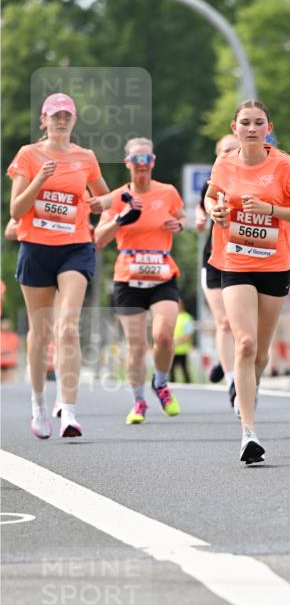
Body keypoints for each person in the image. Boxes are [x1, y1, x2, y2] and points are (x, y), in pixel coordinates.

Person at [204, 99, 290, 463]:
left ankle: (249, 390)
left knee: (262, 354)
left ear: (269, 127)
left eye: (258, 123)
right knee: (245, 344)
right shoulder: (224, 163)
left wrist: (270, 210)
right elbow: (209, 197)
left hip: (274, 263)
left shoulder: (284, 165)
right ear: (234, 128)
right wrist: (213, 210)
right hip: (234, 261)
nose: (251, 129)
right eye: (245, 123)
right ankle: (249, 434)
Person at [7, 92, 110, 439]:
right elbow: (16, 211)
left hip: (75, 247)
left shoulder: (86, 157)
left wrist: (100, 204)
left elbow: (103, 198)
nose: (61, 120)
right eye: (55, 115)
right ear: (44, 121)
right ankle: (38, 405)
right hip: (36, 248)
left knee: (66, 327)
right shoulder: (28, 155)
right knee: (40, 334)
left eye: (67, 115)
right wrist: (39, 179)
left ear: (74, 120)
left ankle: (69, 411)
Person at [95, 138, 186, 424]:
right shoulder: (117, 196)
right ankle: (138, 402)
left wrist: (179, 225)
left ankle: (160, 382)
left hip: (162, 273)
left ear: (153, 162)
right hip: (129, 277)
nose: (142, 165)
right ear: (128, 163)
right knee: (135, 346)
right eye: (137, 160)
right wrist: (121, 218)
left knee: (162, 336)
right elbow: (98, 239)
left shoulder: (168, 192)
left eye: (147, 160)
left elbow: (182, 218)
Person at [195, 135, 238, 393]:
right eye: (225, 151)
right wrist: (201, 218)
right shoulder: (214, 182)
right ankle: (232, 378)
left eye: (234, 149)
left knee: (241, 322)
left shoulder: (256, 178)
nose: (230, 154)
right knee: (223, 322)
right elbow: (203, 206)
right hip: (214, 258)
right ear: (217, 154)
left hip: (245, 257)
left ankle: (228, 360)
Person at [269, 261, 290, 375]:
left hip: (288, 312)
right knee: (272, 342)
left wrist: (282, 289)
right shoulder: (271, 266)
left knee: (289, 342)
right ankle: (273, 368)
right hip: (273, 310)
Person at [171, 298, 194, 383]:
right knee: (170, 372)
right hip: (172, 350)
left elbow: (189, 335)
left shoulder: (187, 318)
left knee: (184, 371)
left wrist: (177, 341)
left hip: (182, 350)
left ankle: (189, 387)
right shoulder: (171, 317)